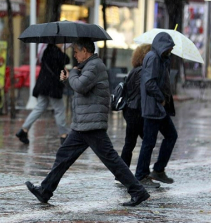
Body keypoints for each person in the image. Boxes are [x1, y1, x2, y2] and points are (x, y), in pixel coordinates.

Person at [25, 38, 150, 207]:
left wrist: (73, 74)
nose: (74, 55)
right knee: (64, 155)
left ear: (85, 51)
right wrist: (69, 77)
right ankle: (45, 190)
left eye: (76, 52)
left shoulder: (95, 66)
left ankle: (138, 191)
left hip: (91, 123)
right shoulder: (87, 67)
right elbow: (79, 87)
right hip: (83, 123)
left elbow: (81, 85)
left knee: (111, 159)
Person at [135, 32, 178, 185]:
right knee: (149, 142)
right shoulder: (153, 58)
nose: (171, 51)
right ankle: (141, 174)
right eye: (169, 48)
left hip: (159, 108)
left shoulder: (161, 58)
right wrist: (161, 99)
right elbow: (149, 83)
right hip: (154, 107)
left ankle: (158, 170)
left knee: (170, 136)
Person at [118, 44, 160, 187]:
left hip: (130, 110)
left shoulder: (135, 70)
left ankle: (122, 175)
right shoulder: (143, 72)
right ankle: (142, 174)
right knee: (148, 142)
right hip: (139, 112)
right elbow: (144, 92)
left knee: (130, 143)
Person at [16, 44, 70, 145]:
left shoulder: (46, 51)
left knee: (39, 108)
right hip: (52, 86)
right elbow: (67, 59)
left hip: (43, 84)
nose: (62, 44)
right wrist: (62, 51)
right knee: (59, 109)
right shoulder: (57, 52)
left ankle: (24, 129)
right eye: (60, 42)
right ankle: (63, 135)